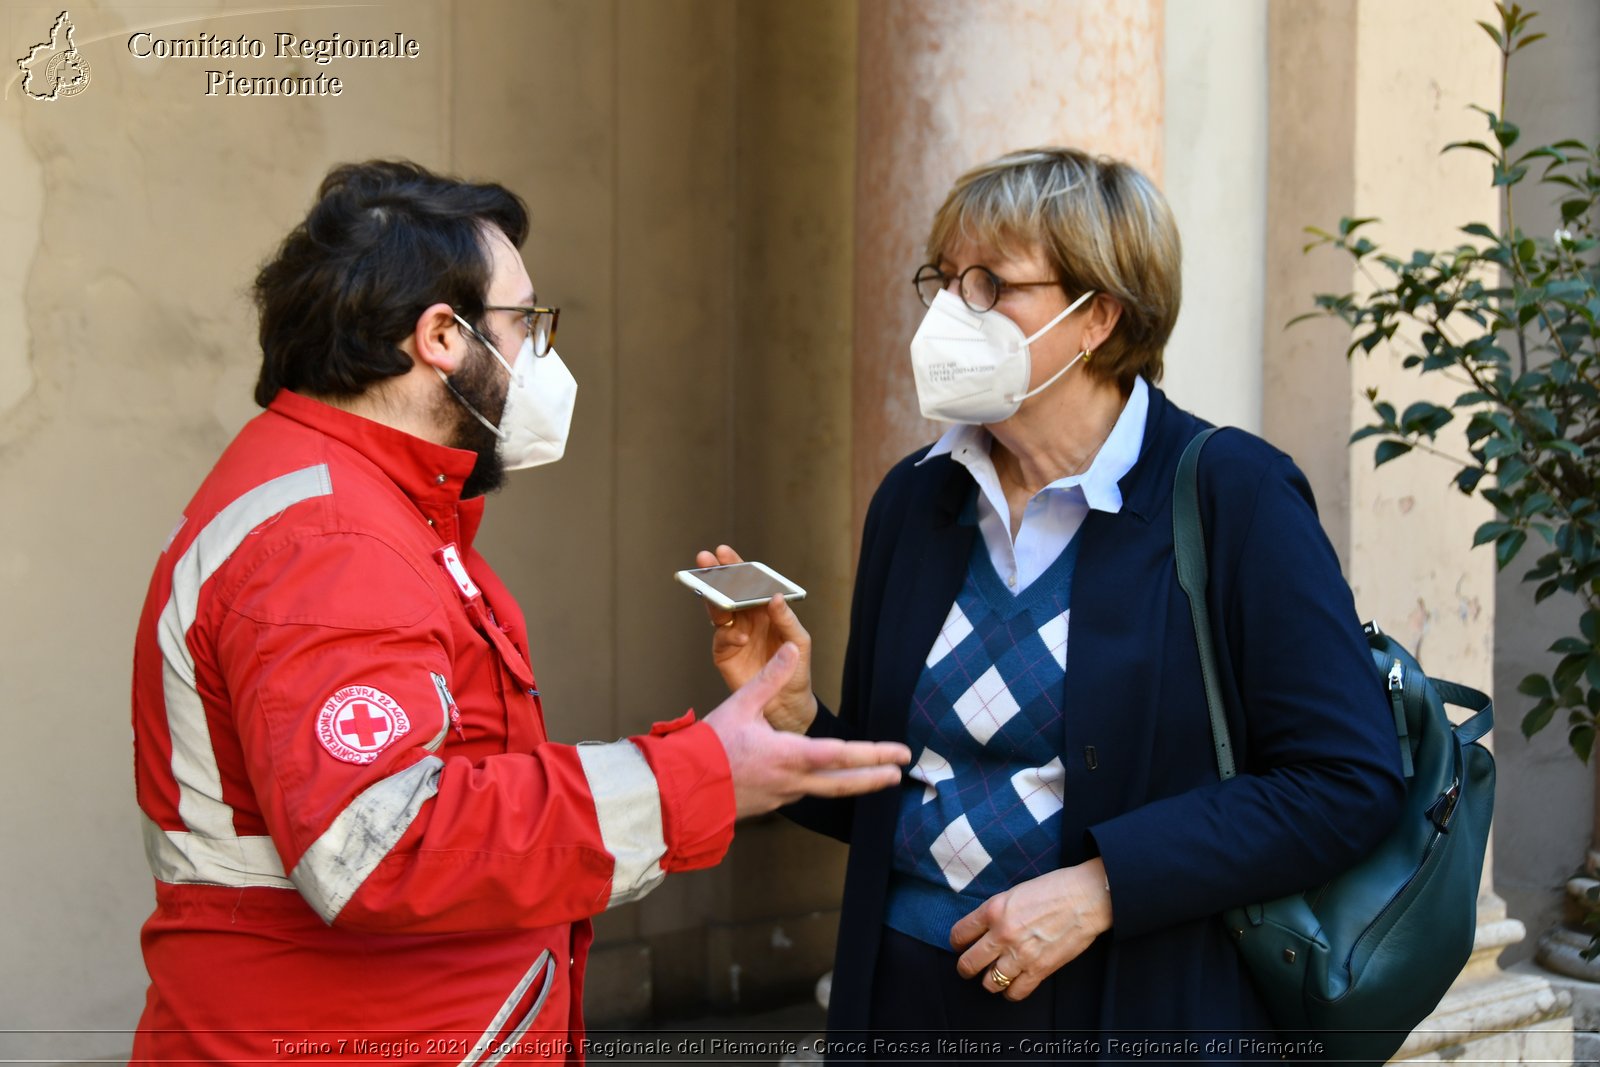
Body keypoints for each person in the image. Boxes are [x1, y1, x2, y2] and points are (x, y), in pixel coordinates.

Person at [128, 159, 909, 1064]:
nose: (542, 352)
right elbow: (383, 845)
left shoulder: (374, 507)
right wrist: (695, 776)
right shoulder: (331, 538)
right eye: (527, 321)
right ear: (441, 337)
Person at [696, 147, 1406, 1057]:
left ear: (1098, 315)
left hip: (1127, 1008)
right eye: (945, 281)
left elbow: (1347, 783)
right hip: (904, 1003)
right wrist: (795, 721)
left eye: (992, 285)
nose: (954, 311)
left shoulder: (1235, 495)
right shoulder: (917, 498)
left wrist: (1104, 887)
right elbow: (901, 799)